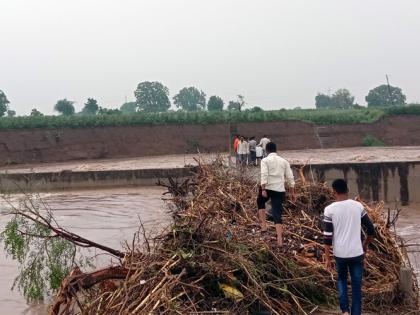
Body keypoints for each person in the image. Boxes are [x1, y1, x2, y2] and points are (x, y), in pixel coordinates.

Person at [323, 179, 375, 315]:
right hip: (357, 253)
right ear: (347, 190)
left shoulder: (329, 210)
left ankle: (345, 311)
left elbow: (327, 237)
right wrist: (365, 244)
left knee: (341, 281)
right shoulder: (358, 206)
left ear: (334, 192)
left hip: (340, 254)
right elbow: (371, 229)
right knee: (357, 286)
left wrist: (327, 258)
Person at [257, 142, 295, 246]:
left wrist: (263, 189)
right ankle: (280, 240)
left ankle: (264, 227)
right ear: (276, 150)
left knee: (260, 201)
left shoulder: (265, 160)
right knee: (277, 213)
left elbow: (264, 174)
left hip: (268, 188)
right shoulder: (284, 161)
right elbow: (290, 177)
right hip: (279, 189)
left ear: (266, 150)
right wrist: (292, 192)